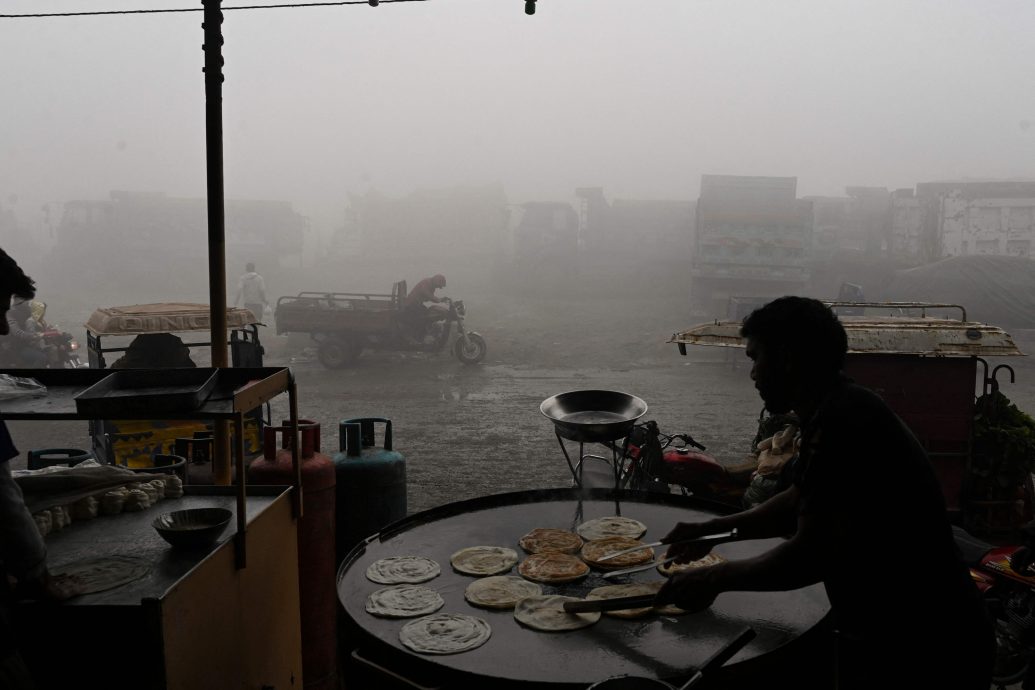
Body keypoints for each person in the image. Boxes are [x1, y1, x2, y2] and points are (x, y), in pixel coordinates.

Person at [655, 296, 994, 690]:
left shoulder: (846, 422)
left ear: (786, 358)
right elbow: (799, 499)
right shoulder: (833, 410)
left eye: (755, 357)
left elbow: (811, 555)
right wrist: (713, 531)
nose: (752, 374)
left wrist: (714, 578)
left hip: (928, 648)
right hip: (898, 635)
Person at [0, 248, 84, 688]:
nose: (0, 326)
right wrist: (37, 574)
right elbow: (3, 499)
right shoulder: (17, 323)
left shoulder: (27, 316)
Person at [0, 300, 47, 368]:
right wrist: (34, 336)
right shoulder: (10, 314)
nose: (28, 304)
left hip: (22, 344)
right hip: (14, 347)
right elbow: (17, 332)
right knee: (42, 358)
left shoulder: (26, 313)